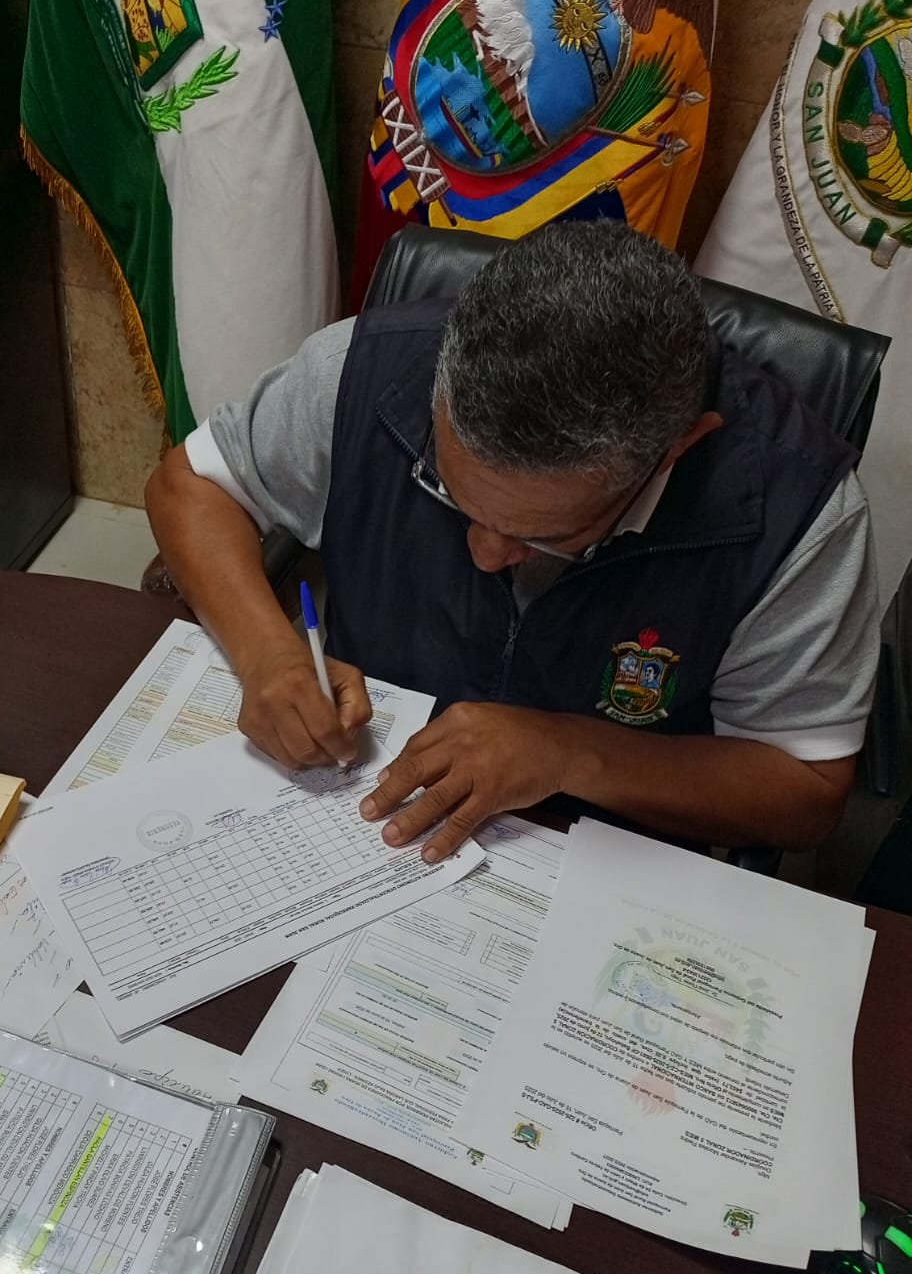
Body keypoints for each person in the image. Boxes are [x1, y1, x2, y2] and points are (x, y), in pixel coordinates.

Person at [146, 222, 879, 859]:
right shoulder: (367, 372)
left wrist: (568, 753)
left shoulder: (797, 508)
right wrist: (268, 655)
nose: (486, 554)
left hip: (602, 852)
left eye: (546, 535)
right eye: (447, 492)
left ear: (674, 453)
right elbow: (192, 486)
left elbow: (807, 789)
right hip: (361, 795)